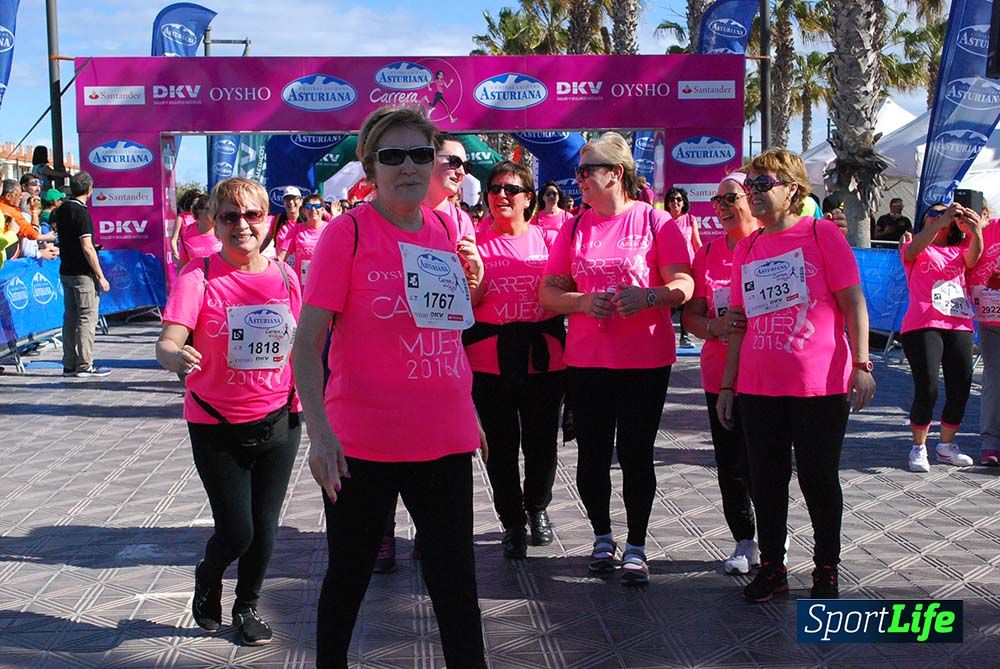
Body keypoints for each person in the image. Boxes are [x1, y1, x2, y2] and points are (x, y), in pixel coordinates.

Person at [292, 106, 487, 669]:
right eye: (392, 156)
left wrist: (466, 406)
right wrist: (320, 435)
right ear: (369, 166)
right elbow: (308, 345)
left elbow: (445, 330)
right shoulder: (346, 232)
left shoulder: (445, 229)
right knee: (349, 578)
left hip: (443, 439)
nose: (408, 167)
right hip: (362, 446)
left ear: (436, 164)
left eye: (421, 155)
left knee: (456, 587)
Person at [716, 148, 875, 602]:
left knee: (818, 478)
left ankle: (826, 568)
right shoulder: (747, 245)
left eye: (764, 185)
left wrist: (862, 364)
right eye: (751, 187)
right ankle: (772, 568)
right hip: (758, 385)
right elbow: (738, 322)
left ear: (793, 188)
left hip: (818, 384)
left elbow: (853, 302)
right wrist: (728, 384)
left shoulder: (821, 234)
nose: (754, 194)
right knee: (765, 480)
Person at [539, 132, 694, 586]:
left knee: (635, 454)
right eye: (578, 172)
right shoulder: (574, 225)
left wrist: (648, 296)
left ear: (617, 174)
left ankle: (638, 545)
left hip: (645, 360)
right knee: (591, 457)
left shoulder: (654, 221)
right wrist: (584, 303)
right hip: (587, 360)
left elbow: (684, 284)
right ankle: (602, 536)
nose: (580, 179)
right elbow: (547, 292)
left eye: (589, 170)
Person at [156, 177, 302, 647]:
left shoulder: (286, 276)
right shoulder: (198, 276)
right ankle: (209, 574)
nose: (242, 225)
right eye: (230, 216)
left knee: (265, 527)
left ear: (268, 221)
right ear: (214, 224)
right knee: (237, 530)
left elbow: (303, 345)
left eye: (253, 215)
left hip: (280, 419)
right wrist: (176, 355)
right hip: (215, 422)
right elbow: (168, 340)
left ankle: (247, 606)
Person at [464, 160, 565, 559]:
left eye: (510, 189)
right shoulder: (473, 241)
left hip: (544, 360)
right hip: (490, 360)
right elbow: (462, 306)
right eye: (493, 189)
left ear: (529, 199)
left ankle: (537, 508)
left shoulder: (550, 241)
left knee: (541, 443)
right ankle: (511, 522)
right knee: (500, 448)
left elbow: (566, 293)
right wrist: (477, 277)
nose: (500, 196)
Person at [682, 172, 759, 575]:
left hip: (765, 371)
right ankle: (744, 540)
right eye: (717, 202)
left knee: (762, 461)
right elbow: (691, 315)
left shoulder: (770, 247)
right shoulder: (707, 253)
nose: (724, 208)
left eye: (731, 199)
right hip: (718, 374)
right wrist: (713, 328)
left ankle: (773, 538)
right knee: (730, 462)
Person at [899, 203, 983, 472]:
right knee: (928, 388)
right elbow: (913, 250)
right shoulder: (915, 244)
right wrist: (938, 222)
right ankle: (918, 447)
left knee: (961, 386)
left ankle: (946, 446)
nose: (941, 216)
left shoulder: (959, 249)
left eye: (945, 213)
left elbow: (974, 258)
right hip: (923, 323)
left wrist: (976, 230)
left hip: (958, 323)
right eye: (933, 214)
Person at [51, 172, 111, 378]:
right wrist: (101, 276)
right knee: (87, 318)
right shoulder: (82, 213)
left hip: (66, 270)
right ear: (89, 190)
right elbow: (86, 247)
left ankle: (69, 363)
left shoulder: (61, 210)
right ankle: (85, 364)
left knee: (70, 318)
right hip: (83, 274)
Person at [971, 213, 1000, 464]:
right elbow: (963, 261)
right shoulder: (987, 229)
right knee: (994, 377)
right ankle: (990, 442)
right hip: (992, 318)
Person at [666, 187, 700, 349]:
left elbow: (696, 243)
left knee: (687, 303)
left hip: (689, 267)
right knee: (670, 304)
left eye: (679, 199)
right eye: (672, 200)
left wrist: (703, 262)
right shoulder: (663, 220)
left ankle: (684, 337)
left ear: (684, 202)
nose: (675, 203)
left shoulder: (690, 219)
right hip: (670, 269)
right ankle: (662, 335)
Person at [424, 133, 476, 238]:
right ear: (430, 159)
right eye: (454, 162)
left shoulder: (462, 221)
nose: (461, 172)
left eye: (466, 166)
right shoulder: (399, 212)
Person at [277, 192, 328, 285]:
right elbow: (282, 257)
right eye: (309, 207)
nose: (313, 209)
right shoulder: (296, 229)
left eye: (317, 206)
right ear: (304, 211)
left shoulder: (330, 229)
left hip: (324, 283)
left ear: (323, 209)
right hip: (302, 285)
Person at [176, 195, 221, 270]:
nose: (213, 213)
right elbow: (182, 266)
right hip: (196, 280)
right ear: (199, 212)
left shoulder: (223, 230)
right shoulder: (186, 235)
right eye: (209, 209)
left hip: (221, 279)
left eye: (215, 209)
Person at [261, 186, 305, 254]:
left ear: (301, 201)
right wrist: (256, 253)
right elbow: (267, 239)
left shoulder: (307, 220)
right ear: (283, 202)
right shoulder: (278, 219)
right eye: (287, 199)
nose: (291, 202)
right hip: (280, 263)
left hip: (301, 263)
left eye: (294, 198)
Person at [170, 189, 204, 267]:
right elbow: (174, 239)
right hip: (185, 253)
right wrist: (176, 253)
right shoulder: (181, 217)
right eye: (197, 200)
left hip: (200, 253)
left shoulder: (203, 216)